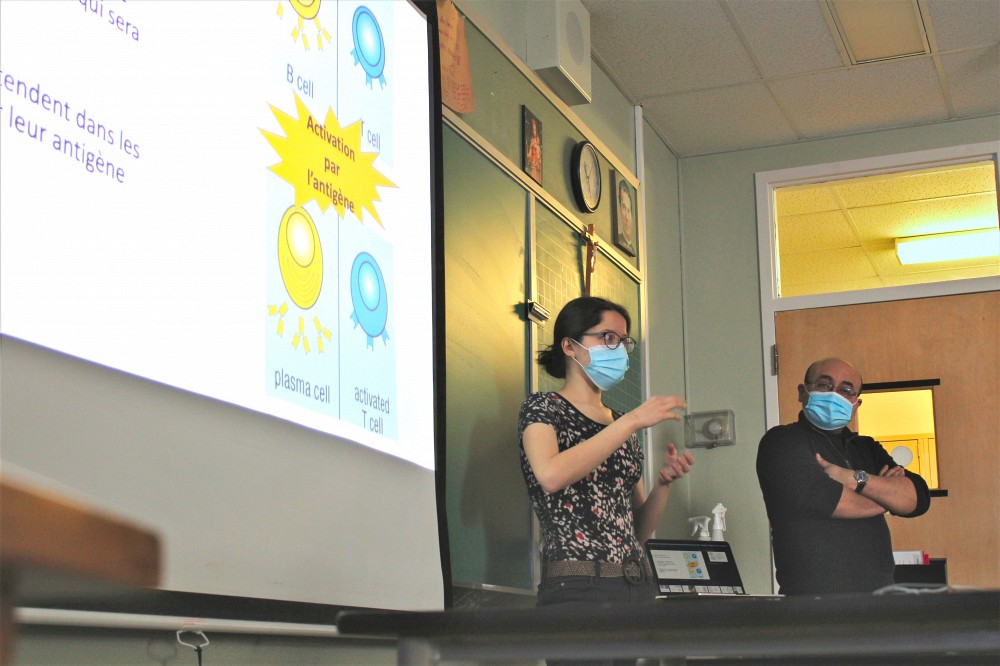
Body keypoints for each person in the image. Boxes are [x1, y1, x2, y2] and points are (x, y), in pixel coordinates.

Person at [518, 296, 694, 612]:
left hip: (635, 585)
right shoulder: (543, 408)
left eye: (624, 342)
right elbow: (551, 475)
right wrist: (631, 422)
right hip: (575, 587)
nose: (619, 350)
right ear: (570, 346)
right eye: (607, 338)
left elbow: (637, 531)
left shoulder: (621, 423)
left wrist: (664, 484)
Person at [756, 357, 931, 595]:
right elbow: (825, 500)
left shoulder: (866, 447)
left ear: (856, 404)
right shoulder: (782, 441)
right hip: (813, 603)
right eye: (824, 385)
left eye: (845, 390)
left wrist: (854, 478)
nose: (834, 395)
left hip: (879, 599)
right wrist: (887, 498)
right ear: (802, 391)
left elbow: (918, 498)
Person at [615, 179, 635, 255]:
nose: (626, 217)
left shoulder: (633, 250)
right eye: (623, 208)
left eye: (628, 210)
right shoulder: (619, 239)